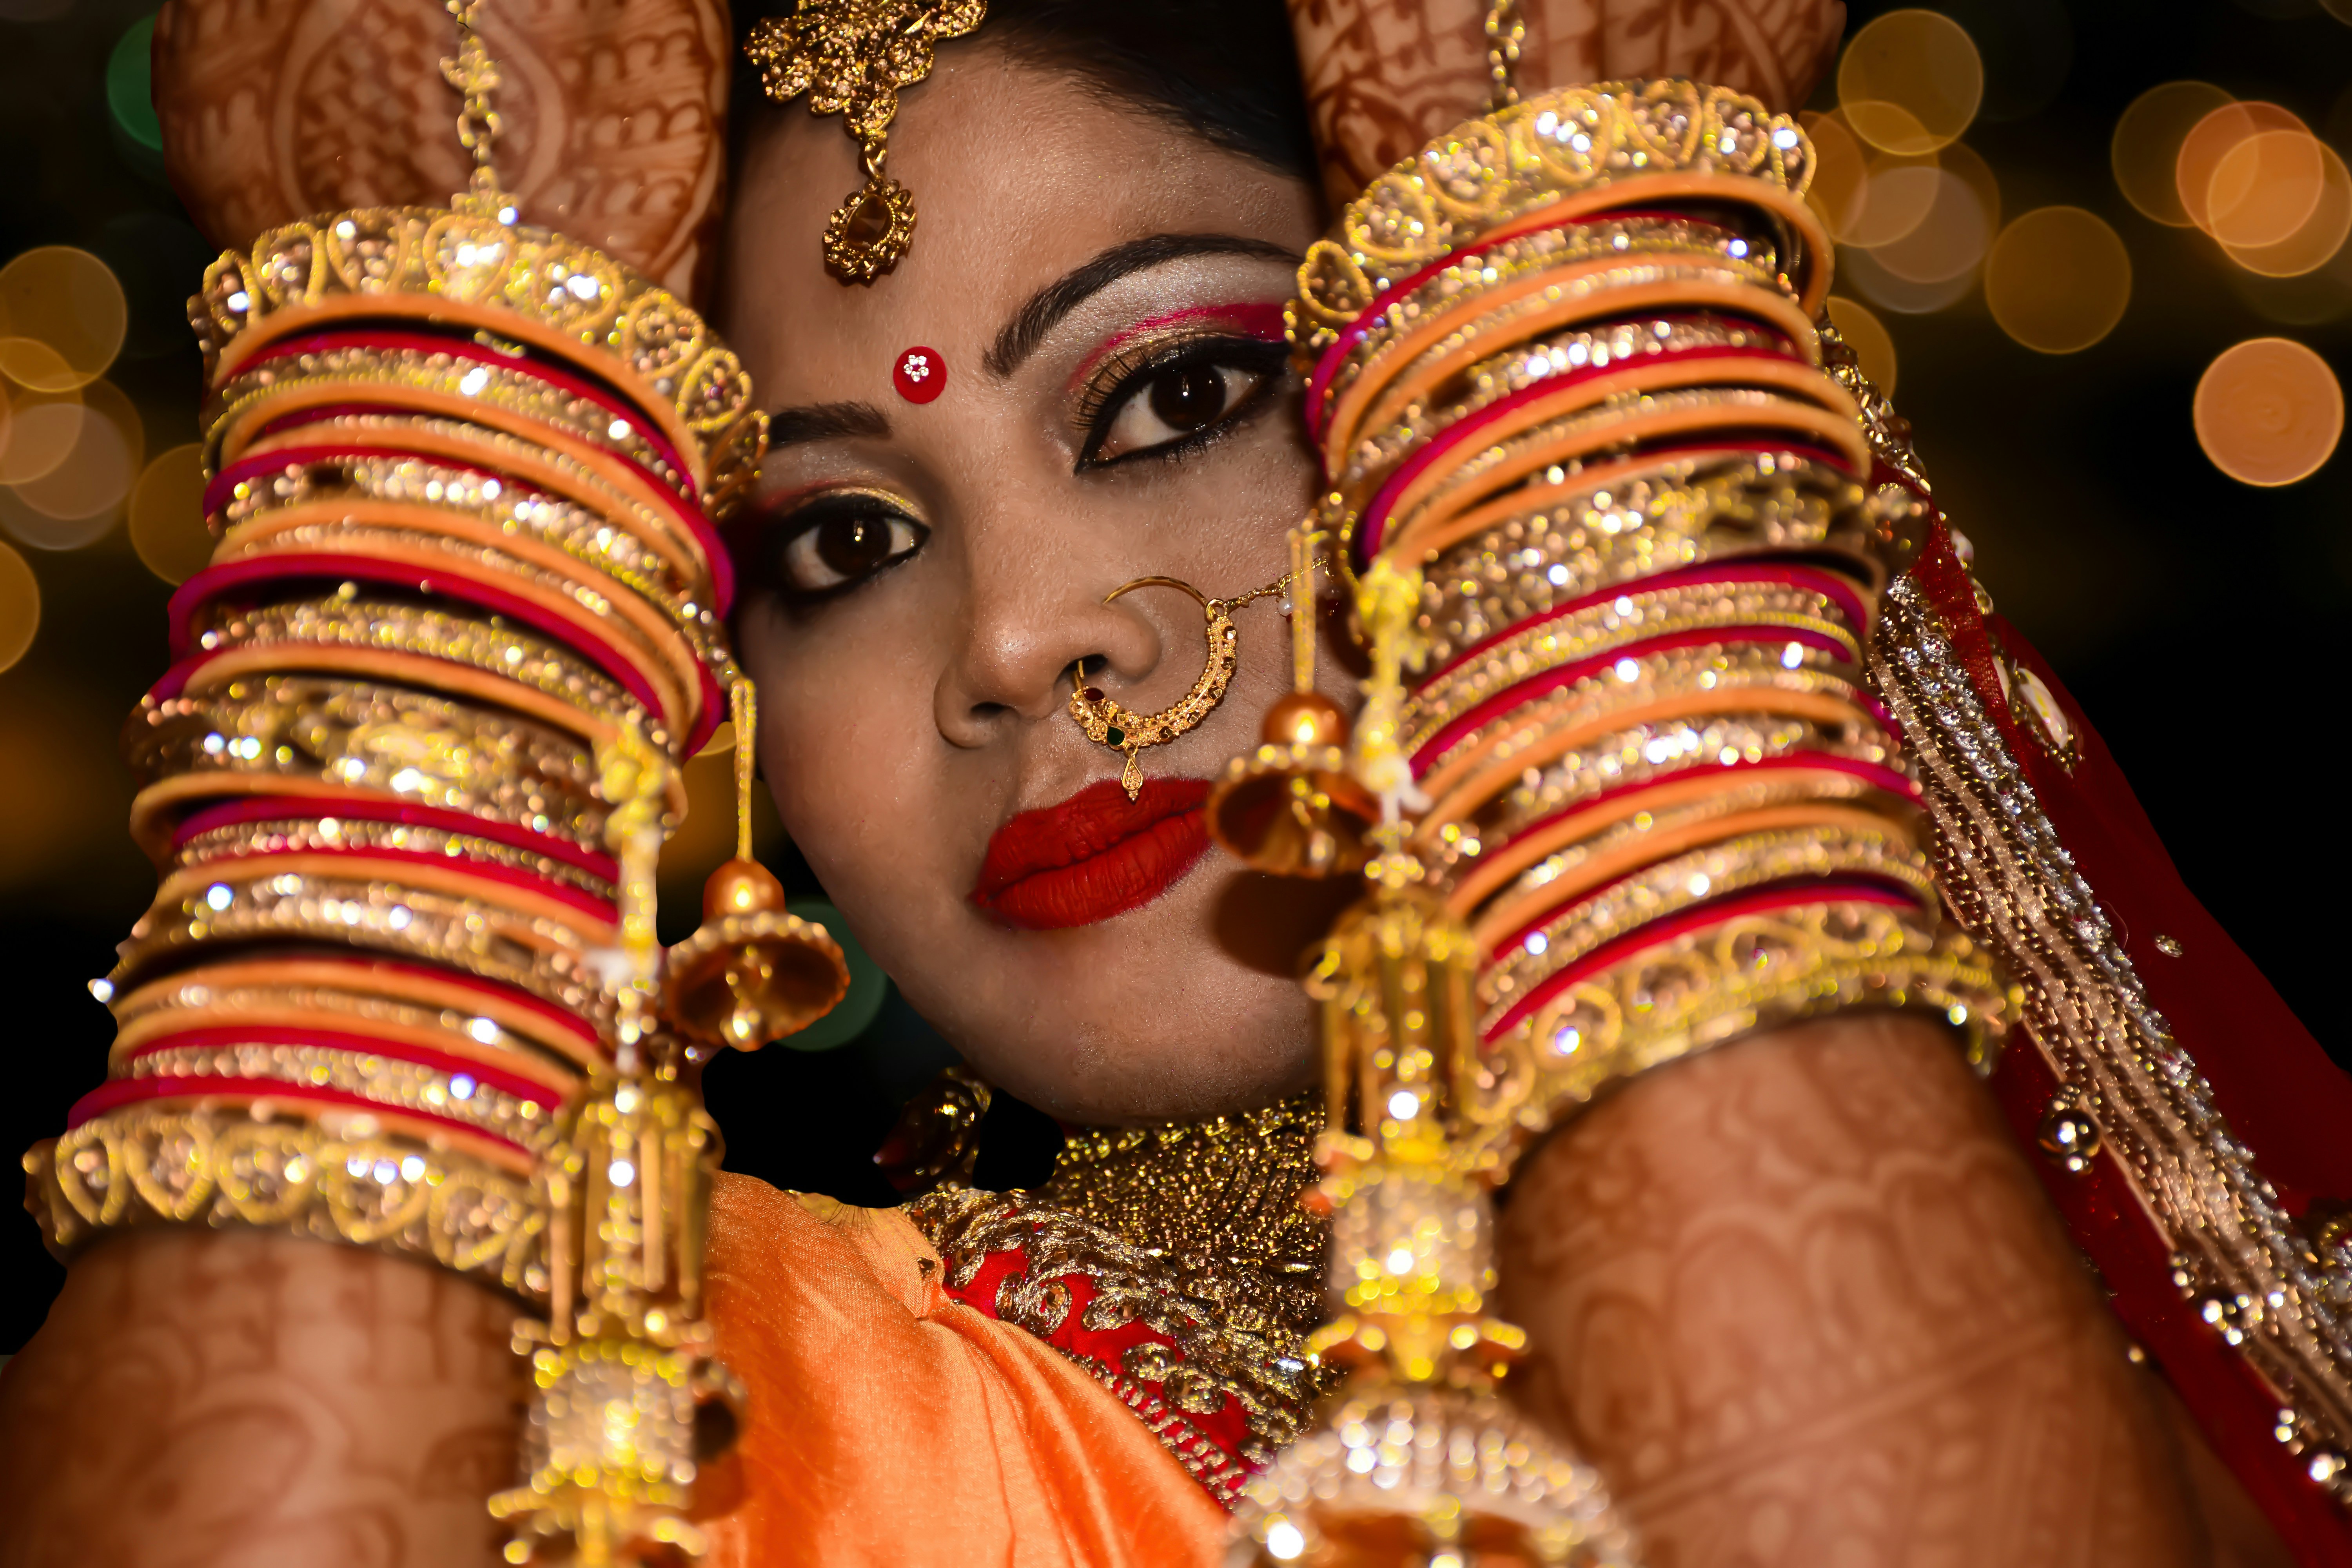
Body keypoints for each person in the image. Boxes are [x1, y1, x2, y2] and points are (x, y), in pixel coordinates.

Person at [4, 2, 2350, 1565]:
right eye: (837, 542)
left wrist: (1567, 267)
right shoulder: (687, 1411)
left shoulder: (2108, 1366)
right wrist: (436, 423)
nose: (1025, 644)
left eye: (1173, 398)